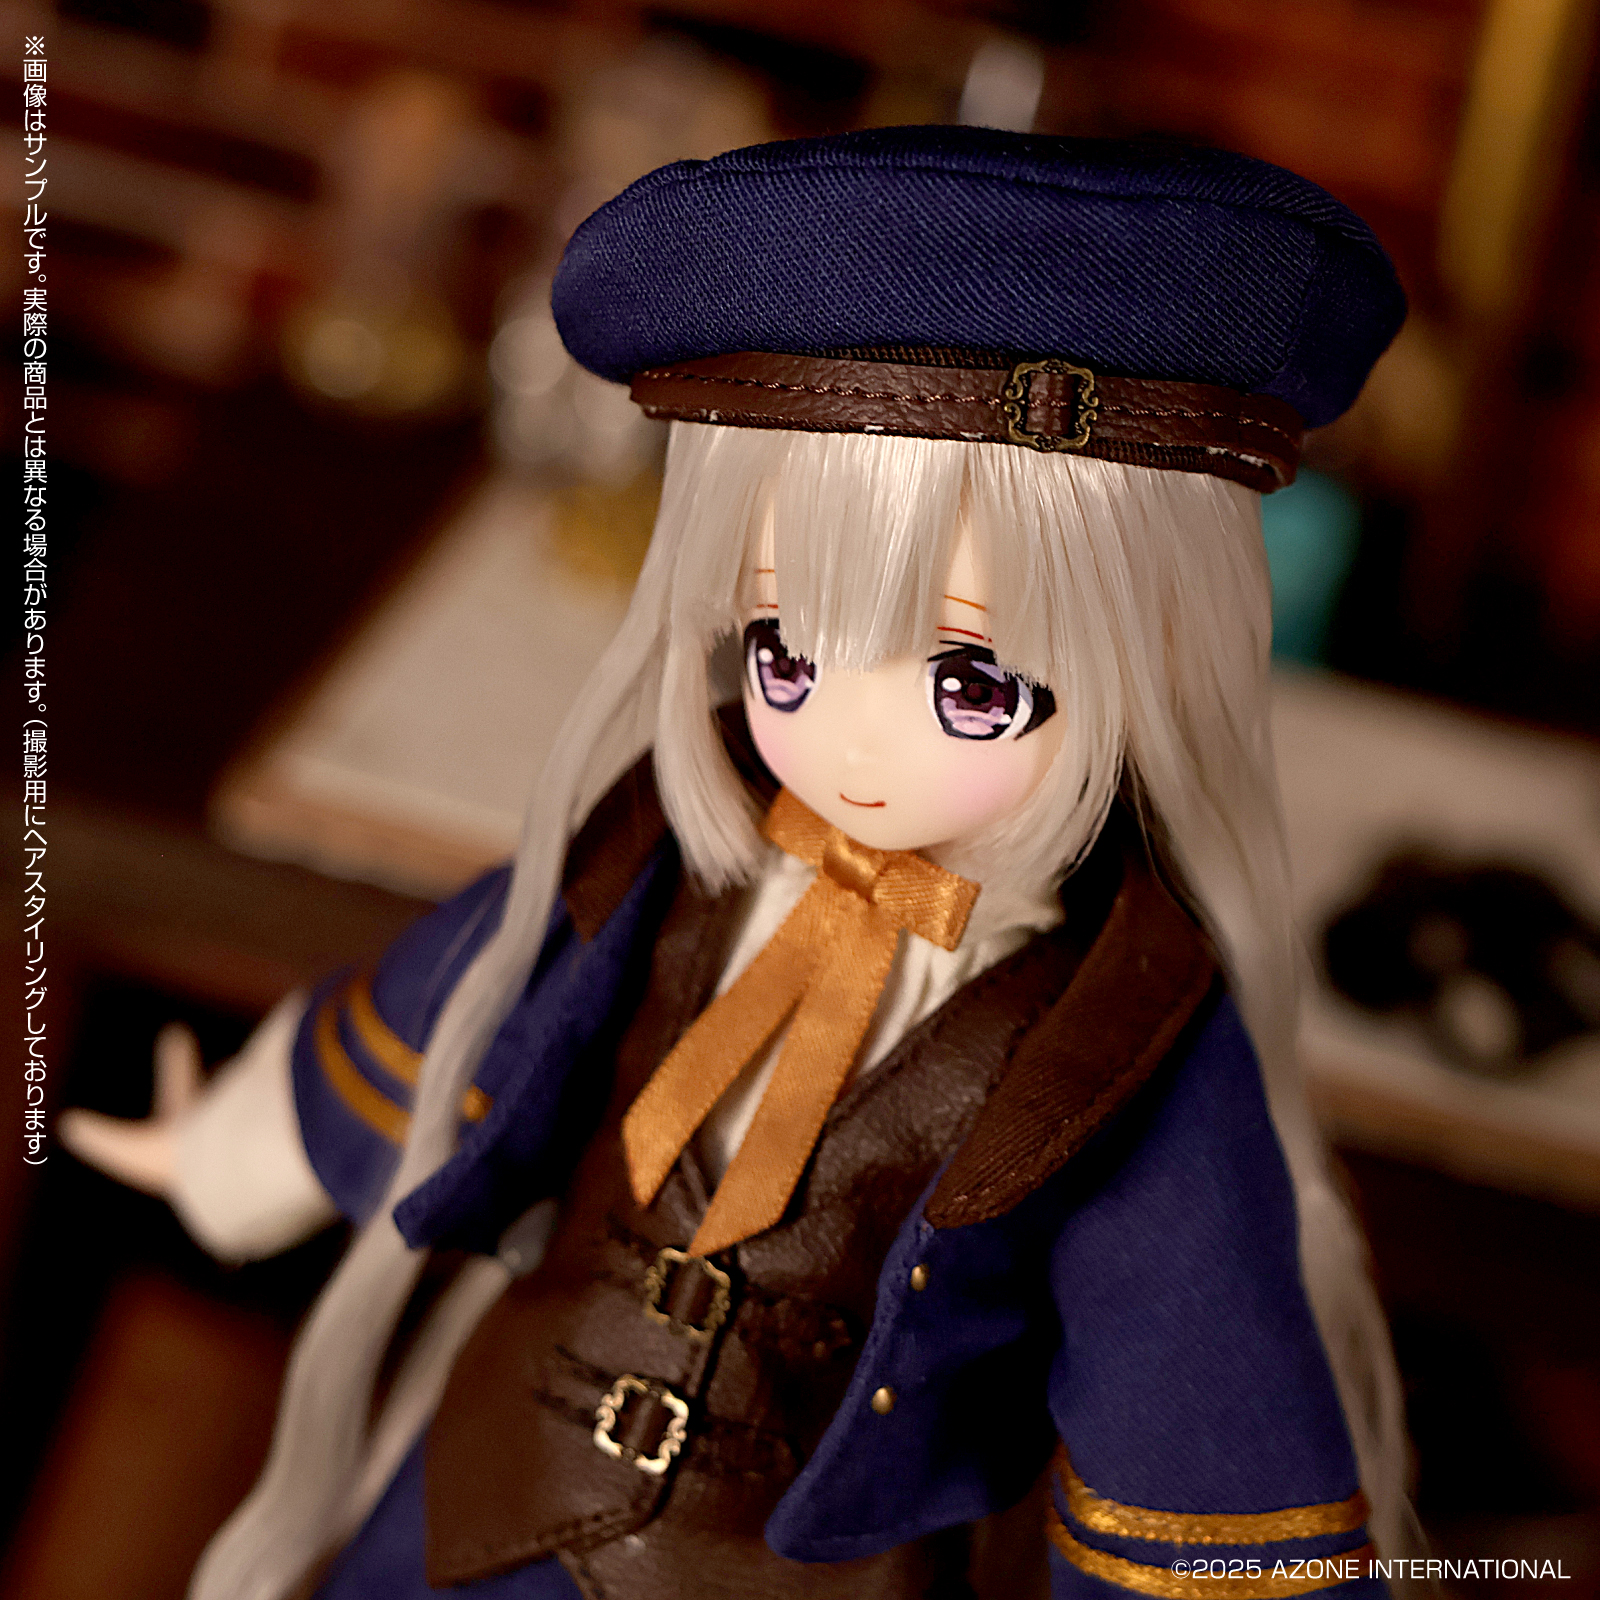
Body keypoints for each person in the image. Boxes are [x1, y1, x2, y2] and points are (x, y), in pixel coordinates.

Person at [64, 126, 1410, 1600]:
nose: (850, 744)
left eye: (973, 684)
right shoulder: (663, 845)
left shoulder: (1119, 1032)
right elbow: (467, 995)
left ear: (1154, 661)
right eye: (786, 651)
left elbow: (1194, 1368)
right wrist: (236, 1147)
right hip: (487, 1500)